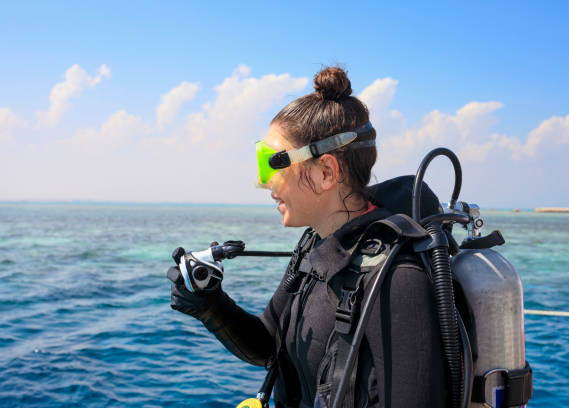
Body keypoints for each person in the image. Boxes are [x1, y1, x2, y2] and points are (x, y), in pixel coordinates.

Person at [168, 67, 447, 407]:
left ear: (327, 172)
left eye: (273, 165)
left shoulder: (397, 282)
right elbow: (268, 345)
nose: (264, 183)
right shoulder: (315, 245)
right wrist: (209, 304)